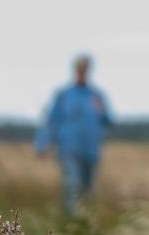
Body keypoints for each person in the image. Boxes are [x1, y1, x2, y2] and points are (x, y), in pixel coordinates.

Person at [35, 55, 113, 215]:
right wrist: (42, 144)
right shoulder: (64, 95)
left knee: (88, 188)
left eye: (85, 69)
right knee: (72, 184)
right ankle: (71, 218)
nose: (82, 72)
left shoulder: (96, 95)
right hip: (68, 148)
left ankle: (86, 221)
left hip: (91, 150)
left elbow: (108, 121)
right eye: (80, 69)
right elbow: (52, 121)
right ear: (75, 70)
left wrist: (101, 111)